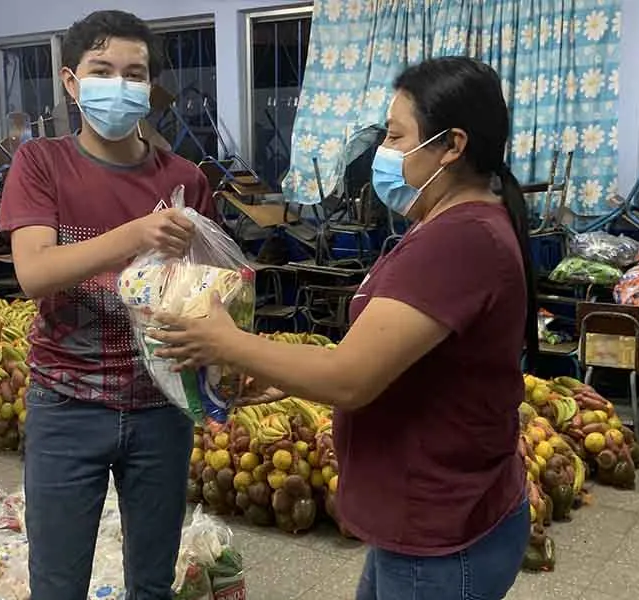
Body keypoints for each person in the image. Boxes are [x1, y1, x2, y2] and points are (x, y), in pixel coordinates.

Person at [149, 56, 537, 600]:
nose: (384, 152)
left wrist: (226, 341)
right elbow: (399, 353)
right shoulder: (449, 223)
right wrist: (287, 376)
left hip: (442, 532)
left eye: (398, 136)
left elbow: (351, 378)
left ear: (452, 145)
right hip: (424, 513)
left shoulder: (460, 239)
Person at [0, 10, 214, 600]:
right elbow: (35, 273)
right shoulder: (41, 164)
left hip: (160, 407)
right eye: (102, 70)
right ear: (71, 82)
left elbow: (207, 292)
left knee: (152, 582)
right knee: (58, 583)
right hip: (66, 404)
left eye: (134, 73)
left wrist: (229, 366)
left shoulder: (186, 180)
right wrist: (137, 236)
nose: (120, 85)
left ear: (150, 87)